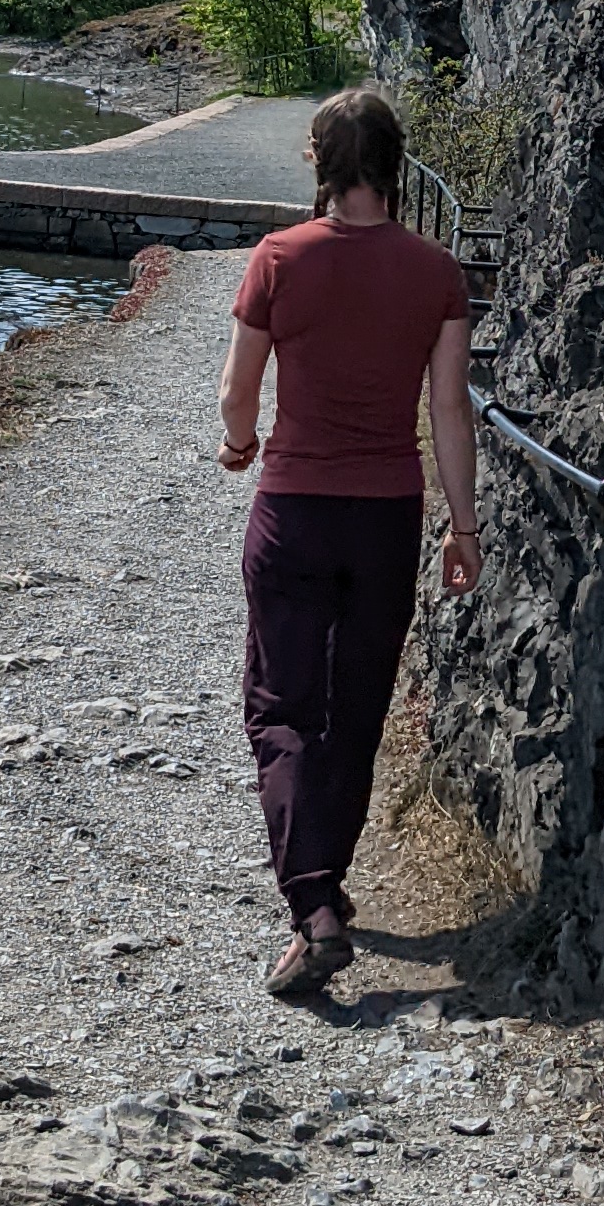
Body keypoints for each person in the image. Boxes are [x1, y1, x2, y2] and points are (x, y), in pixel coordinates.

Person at [218, 85, 480, 1001]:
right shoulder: (438, 271)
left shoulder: (279, 259)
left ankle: (315, 908)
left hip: (294, 509)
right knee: (356, 713)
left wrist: (240, 447)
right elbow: (449, 411)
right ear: (396, 166)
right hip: (387, 516)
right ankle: (325, 886)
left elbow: (237, 395)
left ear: (320, 166)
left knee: (282, 710)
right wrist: (464, 523)